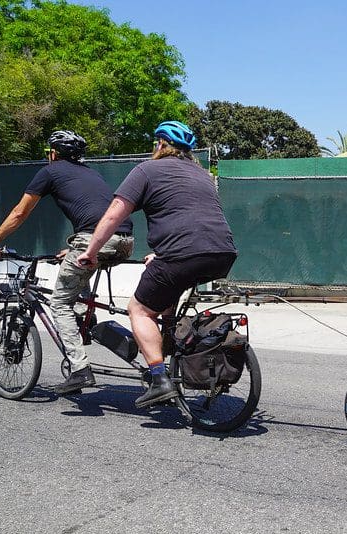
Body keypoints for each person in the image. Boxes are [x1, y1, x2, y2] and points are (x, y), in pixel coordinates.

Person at [76, 121, 238, 409]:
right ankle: (170, 344)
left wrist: (91, 251)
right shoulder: (202, 175)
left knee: (138, 309)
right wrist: (162, 254)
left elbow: (114, 214)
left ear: (161, 146)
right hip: (222, 253)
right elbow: (192, 217)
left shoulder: (146, 170)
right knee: (167, 291)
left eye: (155, 144)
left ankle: (160, 380)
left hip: (183, 254)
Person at [0, 130, 135, 394]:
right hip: (124, 240)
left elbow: (20, 213)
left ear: (53, 153)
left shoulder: (50, 171)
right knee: (79, 277)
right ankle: (86, 323)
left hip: (95, 240)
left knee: (59, 303)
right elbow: (96, 212)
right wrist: (73, 247)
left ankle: (79, 369)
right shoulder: (90, 173)